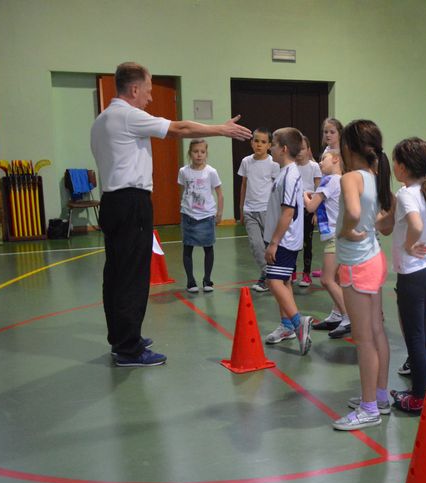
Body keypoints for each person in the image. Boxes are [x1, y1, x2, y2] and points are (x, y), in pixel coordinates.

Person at [90, 61, 251, 367]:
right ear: (134, 89)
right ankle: (128, 349)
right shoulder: (127, 115)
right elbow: (179, 129)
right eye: (148, 91)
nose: (150, 98)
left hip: (111, 201)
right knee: (133, 276)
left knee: (116, 273)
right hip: (131, 202)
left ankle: (122, 338)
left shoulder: (102, 119)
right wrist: (221, 129)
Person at [332, 119, 393, 431]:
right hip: (373, 258)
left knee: (364, 338)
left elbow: (354, 213)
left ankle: (369, 408)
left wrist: (345, 231)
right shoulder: (374, 176)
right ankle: (379, 396)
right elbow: (387, 219)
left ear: (348, 146)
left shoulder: (351, 177)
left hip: (357, 264)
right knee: (376, 332)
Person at [379, 138, 426, 412]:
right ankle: (424, 390)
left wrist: (407, 245)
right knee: (423, 334)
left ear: (403, 167)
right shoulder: (423, 188)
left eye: (395, 161)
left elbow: (414, 225)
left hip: (413, 275)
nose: (393, 166)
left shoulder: (406, 194)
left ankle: (417, 398)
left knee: (415, 337)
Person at [262, 127, 313, 356]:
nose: (270, 148)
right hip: (281, 237)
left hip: (284, 239)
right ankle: (287, 326)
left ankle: (298, 322)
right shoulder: (284, 172)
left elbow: (288, 212)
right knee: (283, 281)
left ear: (283, 149)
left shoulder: (290, 175)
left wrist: (274, 242)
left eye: (272, 144)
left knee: (273, 281)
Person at [304, 150, 351, 338]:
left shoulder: (329, 180)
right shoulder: (342, 180)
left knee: (326, 279)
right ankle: (336, 315)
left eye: (323, 158)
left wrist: (304, 194)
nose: (320, 162)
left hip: (334, 237)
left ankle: (348, 316)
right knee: (337, 279)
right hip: (340, 236)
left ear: (336, 159)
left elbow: (310, 207)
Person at [238, 128, 280, 293]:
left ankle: (269, 277)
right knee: (256, 245)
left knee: (269, 245)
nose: (259, 145)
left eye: (263, 142)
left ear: (269, 145)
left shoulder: (273, 163)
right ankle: (269, 274)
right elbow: (244, 185)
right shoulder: (246, 162)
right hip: (250, 210)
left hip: (267, 210)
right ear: (251, 143)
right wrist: (241, 208)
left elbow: (277, 187)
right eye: (256, 141)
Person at [178, 139, 223, 293]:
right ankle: (190, 281)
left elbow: (219, 193)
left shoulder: (211, 172)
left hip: (206, 215)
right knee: (187, 248)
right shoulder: (184, 171)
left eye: (202, 152)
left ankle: (207, 279)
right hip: (188, 215)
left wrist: (219, 213)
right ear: (190, 153)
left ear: (206, 153)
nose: (199, 155)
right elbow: (184, 190)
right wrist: (185, 206)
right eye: (195, 151)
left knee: (208, 247)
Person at [295, 136, 322, 288]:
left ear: (308, 150)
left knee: (307, 243)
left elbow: (318, 190)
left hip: (308, 209)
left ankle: (306, 273)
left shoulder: (314, 167)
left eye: (303, 148)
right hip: (293, 209)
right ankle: (292, 271)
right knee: (292, 241)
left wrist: (316, 213)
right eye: (297, 149)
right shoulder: (291, 166)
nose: (299, 152)